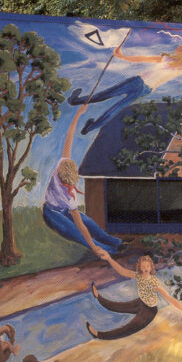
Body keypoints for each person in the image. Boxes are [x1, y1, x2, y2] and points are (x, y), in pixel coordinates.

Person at [68, 43, 182, 136]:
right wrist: (121, 56)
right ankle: (87, 122)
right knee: (114, 104)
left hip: (140, 83)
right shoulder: (175, 61)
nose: (177, 46)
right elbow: (141, 58)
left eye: (180, 46)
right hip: (144, 86)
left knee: (109, 97)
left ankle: (79, 106)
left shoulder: (180, 63)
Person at [42, 106, 123, 255]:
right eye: (68, 185)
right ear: (61, 179)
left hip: (64, 210)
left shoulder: (64, 162)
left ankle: (116, 243)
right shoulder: (68, 197)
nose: (71, 187)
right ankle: (108, 251)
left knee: (90, 223)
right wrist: (92, 246)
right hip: (51, 213)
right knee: (78, 233)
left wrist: (78, 114)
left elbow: (70, 136)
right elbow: (81, 228)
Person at [86, 253, 182, 340]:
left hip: (149, 311)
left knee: (128, 328)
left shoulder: (154, 281)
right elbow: (122, 271)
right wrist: (109, 258)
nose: (145, 269)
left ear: (151, 267)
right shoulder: (138, 276)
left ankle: (99, 335)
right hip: (141, 303)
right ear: (140, 268)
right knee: (117, 306)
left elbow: (168, 297)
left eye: (147, 266)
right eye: (143, 267)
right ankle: (98, 297)